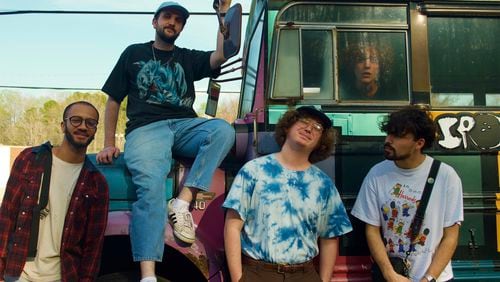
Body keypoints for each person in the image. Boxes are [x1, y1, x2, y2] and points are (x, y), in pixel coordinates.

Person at [96, 1, 235, 281]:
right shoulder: (133, 53)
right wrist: (108, 142)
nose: (172, 22)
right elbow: (113, 100)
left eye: (178, 20)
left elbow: (223, 54)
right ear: (155, 22)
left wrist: (222, 16)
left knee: (222, 131)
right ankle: (148, 275)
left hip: (184, 125)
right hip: (145, 128)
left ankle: (183, 203)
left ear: (182, 28)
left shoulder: (188, 58)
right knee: (150, 192)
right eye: (167, 17)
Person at [223, 106, 353, 282]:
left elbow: (330, 238)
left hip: (304, 275)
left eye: (317, 128)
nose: (309, 129)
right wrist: (238, 279)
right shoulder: (253, 171)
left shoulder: (324, 185)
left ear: (321, 142)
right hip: (258, 273)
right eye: (304, 121)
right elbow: (232, 226)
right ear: (287, 126)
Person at [351, 106, 463, 282]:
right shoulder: (377, 174)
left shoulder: (446, 176)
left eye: (398, 136)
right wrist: (389, 274)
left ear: (419, 143)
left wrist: (429, 279)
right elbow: (372, 230)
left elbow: (451, 236)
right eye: (388, 134)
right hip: (393, 275)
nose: (388, 140)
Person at [0, 101, 109, 282]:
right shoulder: (29, 159)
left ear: (95, 130)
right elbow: (7, 215)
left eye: (90, 123)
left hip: (62, 276)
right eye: (76, 120)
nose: (83, 126)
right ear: (62, 125)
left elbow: (93, 246)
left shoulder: (97, 184)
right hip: (18, 273)